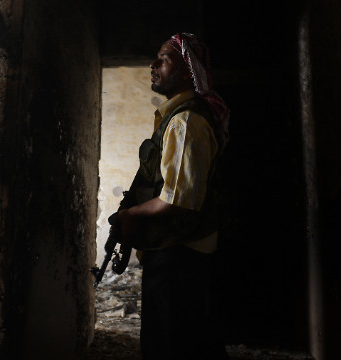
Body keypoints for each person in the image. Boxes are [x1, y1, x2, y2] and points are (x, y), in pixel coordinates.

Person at [115, 33, 230, 360]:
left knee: (171, 346)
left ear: (186, 72)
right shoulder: (175, 119)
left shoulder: (186, 122)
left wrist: (130, 216)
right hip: (176, 254)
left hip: (179, 257)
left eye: (164, 59)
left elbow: (179, 199)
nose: (153, 65)